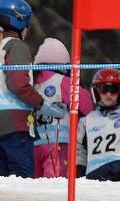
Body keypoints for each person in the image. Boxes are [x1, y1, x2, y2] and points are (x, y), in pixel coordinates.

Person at [0, 0, 66, 177]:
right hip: (15, 126)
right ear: (20, 22)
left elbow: (0, 89)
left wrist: (35, 112)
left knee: (5, 182)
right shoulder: (16, 46)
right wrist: (42, 105)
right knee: (22, 179)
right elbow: (18, 85)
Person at [32, 37, 93, 177]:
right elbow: (87, 105)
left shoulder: (32, 83)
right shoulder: (62, 81)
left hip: (34, 143)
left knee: (34, 185)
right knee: (56, 183)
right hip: (59, 142)